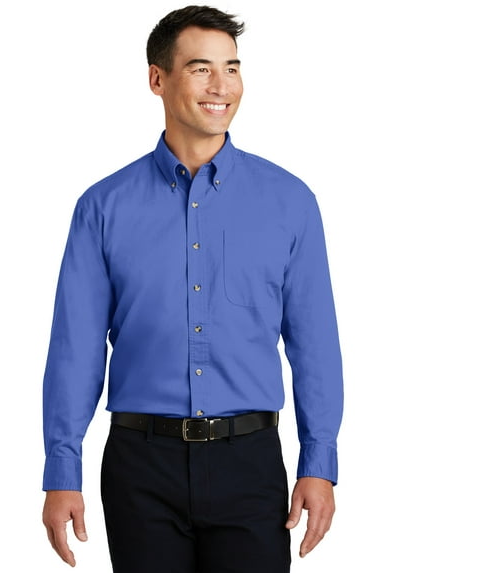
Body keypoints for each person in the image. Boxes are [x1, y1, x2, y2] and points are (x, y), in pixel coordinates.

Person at [42, 5, 343, 572]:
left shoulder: (290, 202)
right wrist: (62, 470)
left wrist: (319, 463)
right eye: (201, 68)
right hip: (140, 467)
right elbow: (76, 349)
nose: (221, 86)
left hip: (250, 462)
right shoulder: (103, 207)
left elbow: (315, 345)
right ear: (157, 79)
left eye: (232, 68)